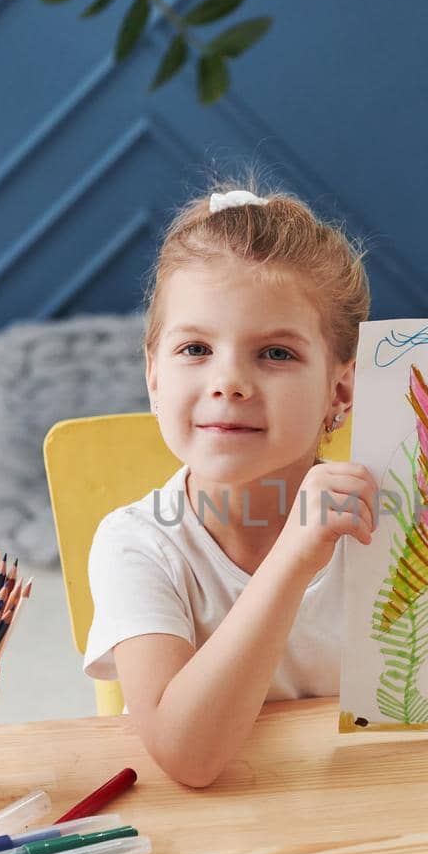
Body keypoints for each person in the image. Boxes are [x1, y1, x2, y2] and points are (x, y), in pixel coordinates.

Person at [83, 185, 379, 787]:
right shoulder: (136, 545)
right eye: (194, 348)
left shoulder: (391, 520)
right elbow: (187, 756)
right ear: (155, 377)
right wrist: (296, 555)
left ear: (340, 392)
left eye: (274, 352)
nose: (229, 382)